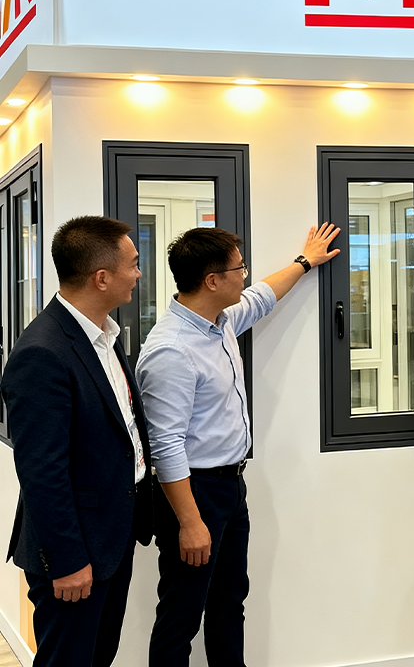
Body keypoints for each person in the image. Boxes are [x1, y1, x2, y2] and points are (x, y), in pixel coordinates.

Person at [136, 223, 340, 667]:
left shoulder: (220, 321)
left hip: (229, 488)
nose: (245, 276)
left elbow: (264, 295)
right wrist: (190, 522)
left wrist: (305, 262)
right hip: (194, 493)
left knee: (229, 604)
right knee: (181, 615)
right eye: (239, 268)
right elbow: (166, 447)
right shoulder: (172, 350)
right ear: (212, 280)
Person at [2, 215, 152, 667]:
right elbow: (42, 472)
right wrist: (66, 561)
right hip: (74, 551)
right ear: (101, 278)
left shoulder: (104, 336)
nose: (139, 274)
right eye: (133, 264)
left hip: (111, 537)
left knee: (99, 656)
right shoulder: (42, 352)